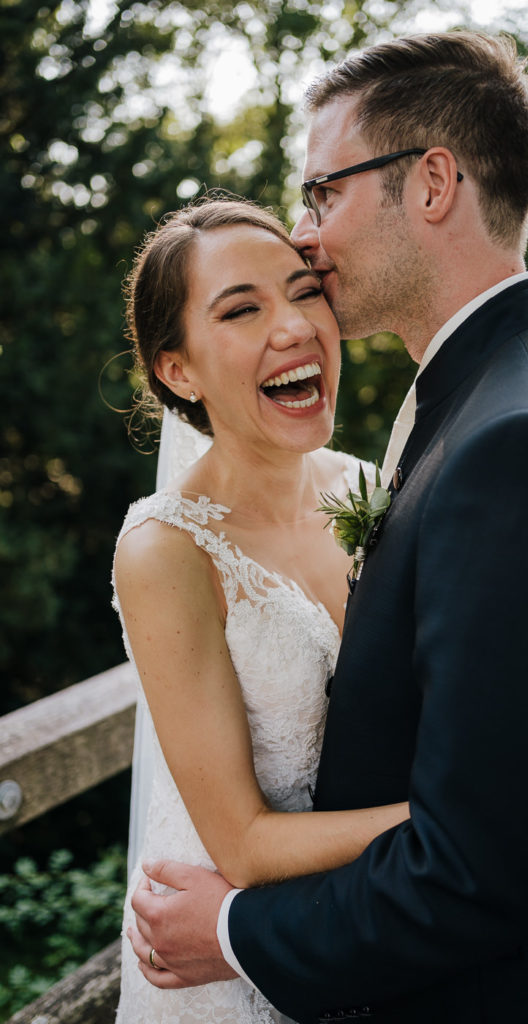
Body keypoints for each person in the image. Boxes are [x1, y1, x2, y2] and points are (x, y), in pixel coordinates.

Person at [129, 29, 528, 1024]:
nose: (306, 234)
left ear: (431, 183)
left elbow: (477, 868)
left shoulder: (518, 444)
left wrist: (229, 931)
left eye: (321, 193)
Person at [112, 196, 414, 1023]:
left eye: (304, 290)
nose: (294, 326)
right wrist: (462, 820)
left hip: (375, 925)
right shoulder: (166, 552)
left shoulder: (367, 485)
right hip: (233, 954)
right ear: (178, 370)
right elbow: (241, 842)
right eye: (242, 309)